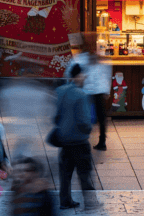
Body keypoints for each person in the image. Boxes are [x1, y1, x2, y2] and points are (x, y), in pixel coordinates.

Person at [53, 63, 96, 210]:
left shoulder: (59, 91)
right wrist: (88, 130)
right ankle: (90, 202)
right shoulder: (81, 95)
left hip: (64, 141)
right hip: (79, 141)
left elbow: (55, 116)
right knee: (84, 173)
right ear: (78, 76)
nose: (85, 78)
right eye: (83, 75)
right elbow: (84, 121)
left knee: (65, 175)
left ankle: (65, 201)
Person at [65, 33, 111, 150]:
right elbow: (71, 73)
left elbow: (106, 73)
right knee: (91, 116)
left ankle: (100, 141)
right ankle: (96, 140)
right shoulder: (83, 59)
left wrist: (106, 89)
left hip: (93, 91)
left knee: (97, 116)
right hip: (89, 91)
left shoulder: (83, 58)